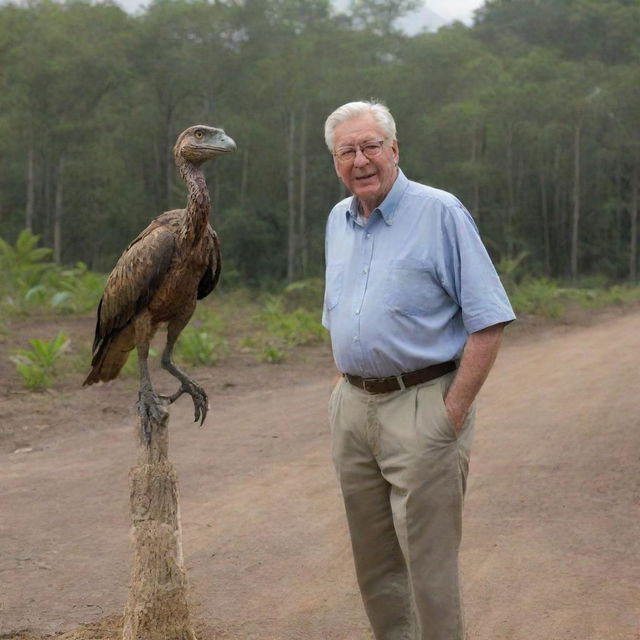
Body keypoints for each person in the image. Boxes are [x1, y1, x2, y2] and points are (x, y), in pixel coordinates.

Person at [322, 100, 515, 640]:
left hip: (424, 403)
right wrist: (341, 391)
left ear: (394, 150)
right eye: (347, 151)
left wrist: (451, 412)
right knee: (374, 563)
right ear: (335, 162)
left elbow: (489, 320)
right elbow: (338, 314)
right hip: (354, 408)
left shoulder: (440, 212)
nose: (361, 160)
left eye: (371, 147)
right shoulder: (337, 221)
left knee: (429, 571)